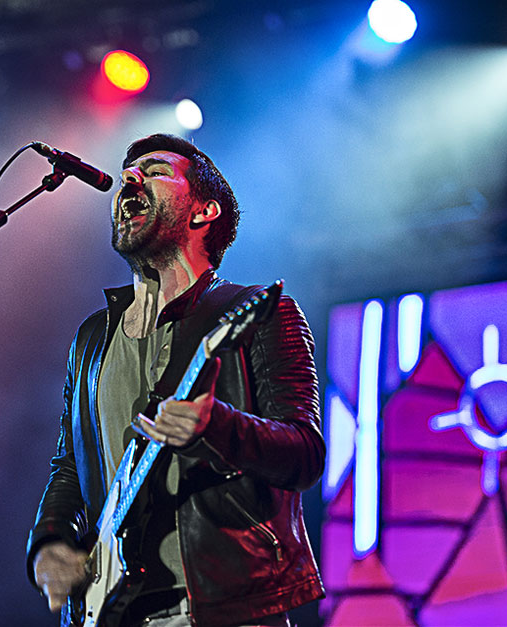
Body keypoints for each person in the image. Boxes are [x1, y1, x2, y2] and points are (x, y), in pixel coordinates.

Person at [27, 134, 325, 626]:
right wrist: (50, 542)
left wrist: (218, 426)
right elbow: (71, 467)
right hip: (116, 611)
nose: (130, 178)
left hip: (225, 606)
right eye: (128, 171)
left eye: (156, 171)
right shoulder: (91, 338)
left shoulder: (255, 313)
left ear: (204, 211)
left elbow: (305, 454)